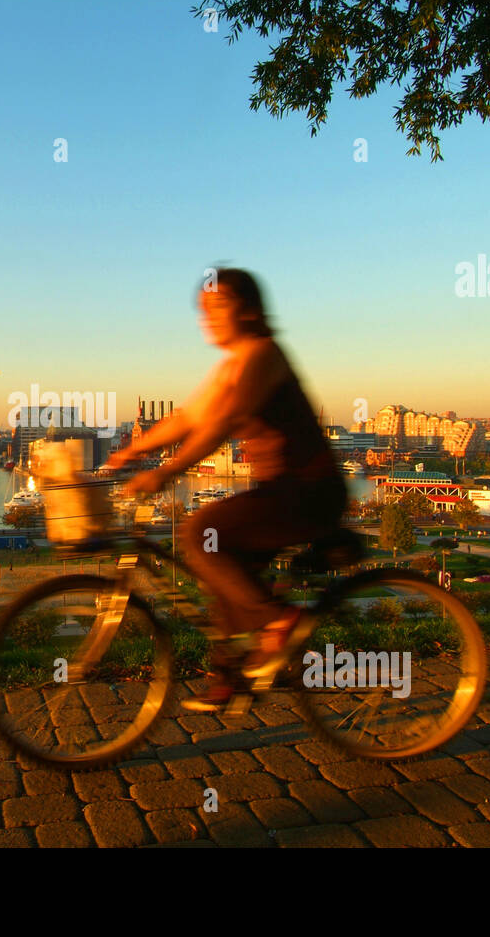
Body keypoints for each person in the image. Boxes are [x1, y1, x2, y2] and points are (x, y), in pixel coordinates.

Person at [108, 269, 347, 711]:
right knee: (222, 576)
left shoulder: (262, 355)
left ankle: (282, 623)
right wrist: (129, 452)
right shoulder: (232, 364)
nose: (208, 319)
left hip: (310, 492)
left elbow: (223, 422)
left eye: (218, 307)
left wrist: (168, 470)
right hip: (283, 492)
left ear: (250, 310)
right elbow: (189, 417)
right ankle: (234, 675)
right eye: (203, 311)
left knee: (202, 531)